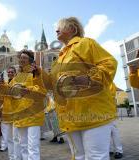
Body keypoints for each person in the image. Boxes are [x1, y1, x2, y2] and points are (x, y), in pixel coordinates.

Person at [49, 17, 117, 159]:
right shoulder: (60, 56)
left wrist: (88, 79)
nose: (56, 30)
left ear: (72, 29)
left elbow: (109, 63)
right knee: (78, 156)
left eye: (60, 27)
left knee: (96, 156)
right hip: (70, 115)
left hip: (92, 111)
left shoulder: (86, 43)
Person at [9, 50, 46, 160]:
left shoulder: (36, 72)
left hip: (33, 114)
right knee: (23, 145)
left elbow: (42, 91)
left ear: (30, 60)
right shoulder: (17, 77)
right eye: (20, 57)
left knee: (33, 146)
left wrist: (26, 89)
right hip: (20, 115)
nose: (22, 59)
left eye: (24, 57)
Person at [0, 66, 17, 159]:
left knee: (16, 138)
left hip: (15, 113)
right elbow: (1, 98)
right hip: (6, 113)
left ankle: (17, 156)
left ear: (15, 73)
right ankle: (11, 157)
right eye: (8, 72)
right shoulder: (4, 84)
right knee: (9, 138)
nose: (10, 73)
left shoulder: (17, 83)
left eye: (12, 72)